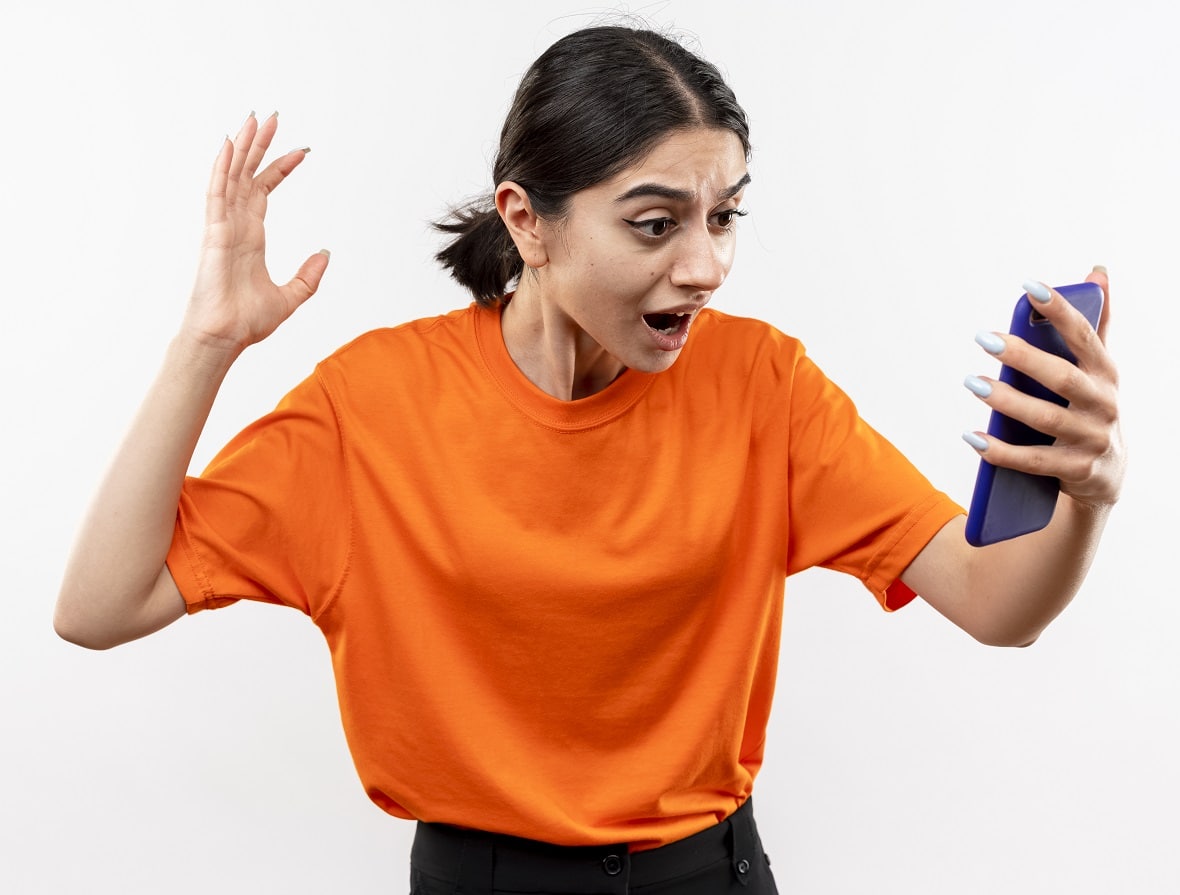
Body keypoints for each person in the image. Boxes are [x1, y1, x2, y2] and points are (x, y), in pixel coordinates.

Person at [54, 25, 1124, 895]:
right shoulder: (370, 407)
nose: (705, 266)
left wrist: (1083, 494)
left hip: (712, 876)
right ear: (528, 221)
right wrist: (206, 346)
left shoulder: (765, 386)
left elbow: (997, 606)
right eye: (656, 224)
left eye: (725, 215)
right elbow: (101, 606)